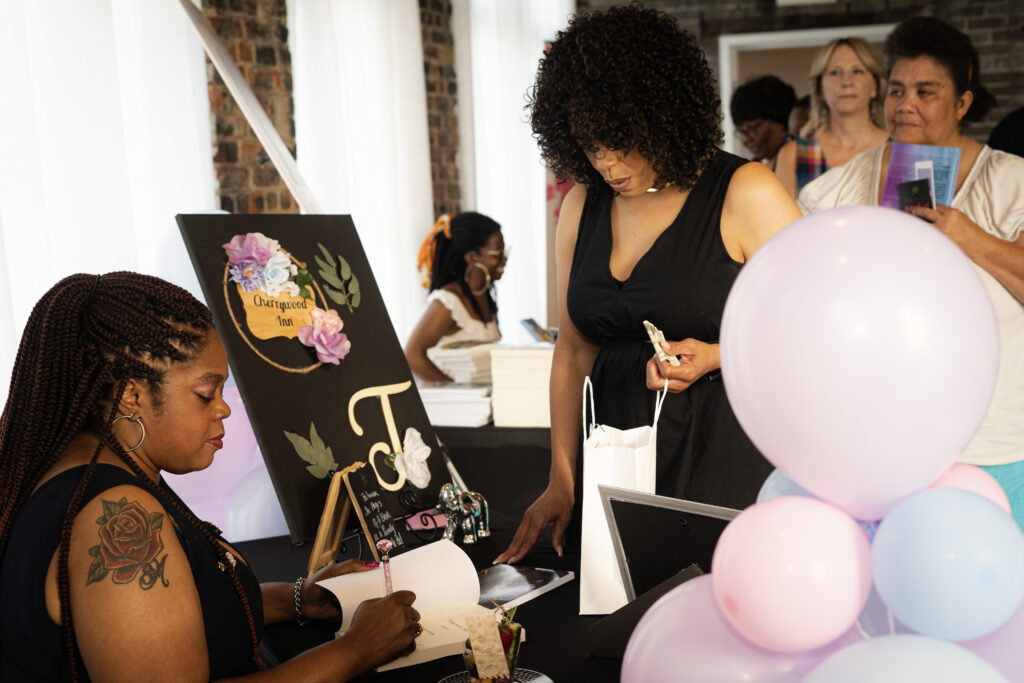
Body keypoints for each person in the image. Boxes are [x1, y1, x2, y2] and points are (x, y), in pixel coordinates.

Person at [494, 5, 801, 565]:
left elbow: (817, 330)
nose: (607, 164)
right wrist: (562, 476)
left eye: (620, 140)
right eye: (590, 145)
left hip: (721, 454)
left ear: (662, 112)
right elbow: (573, 351)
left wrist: (717, 355)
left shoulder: (746, 191)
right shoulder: (581, 205)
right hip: (614, 460)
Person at [0, 272, 421, 680]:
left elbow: (167, 612)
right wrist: (356, 650)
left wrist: (297, 598)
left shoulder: (88, 463)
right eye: (206, 393)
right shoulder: (115, 514)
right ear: (131, 394)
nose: (224, 408)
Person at [799, 17, 1024, 529]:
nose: (905, 105)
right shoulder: (838, 188)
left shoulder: (1012, 181)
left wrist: (969, 236)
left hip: (992, 442)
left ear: (962, 103)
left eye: (926, 92)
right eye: (898, 90)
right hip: (880, 442)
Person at [775, 37, 890, 198]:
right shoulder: (793, 154)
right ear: (820, 88)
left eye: (857, 71)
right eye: (834, 72)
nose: (846, 81)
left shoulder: (897, 150)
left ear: (875, 87)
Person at [405, 212, 506, 382]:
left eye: (504, 252)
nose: (504, 260)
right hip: (458, 398)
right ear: (472, 257)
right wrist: (458, 389)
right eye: (497, 254)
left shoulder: (484, 297)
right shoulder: (447, 301)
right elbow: (412, 357)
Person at [730, 74, 797, 170]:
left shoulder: (801, 161)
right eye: (741, 132)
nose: (745, 140)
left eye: (753, 128)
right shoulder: (754, 168)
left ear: (781, 120)